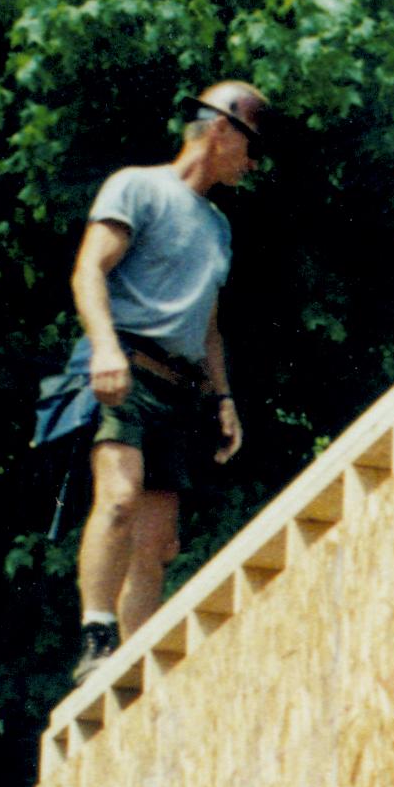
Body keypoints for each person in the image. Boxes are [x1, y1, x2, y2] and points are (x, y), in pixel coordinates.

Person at [61, 82, 268, 676]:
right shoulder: (137, 186)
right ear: (222, 129)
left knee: (156, 548)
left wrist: (222, 397)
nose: (253, 165)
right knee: (120, 500)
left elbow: (208, 324)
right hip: (124, 369)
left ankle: (138, 675)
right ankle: (98, 638)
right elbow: (88, 271)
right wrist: (103, 348)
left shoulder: (220, 228)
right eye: (251, 149)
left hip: (179, 390)